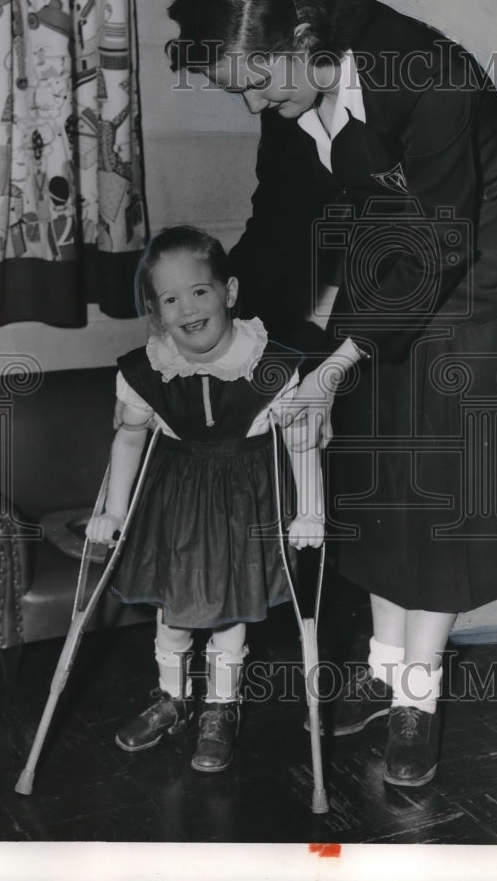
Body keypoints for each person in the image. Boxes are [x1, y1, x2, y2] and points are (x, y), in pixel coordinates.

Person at [165, 0, 497, 789]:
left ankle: (417, 705)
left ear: (308, 34)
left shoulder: (430, 73)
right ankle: (384, 675)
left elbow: (432, 237)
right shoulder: (293, 97)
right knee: (374, 483)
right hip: (387, 277)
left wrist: (339, 355)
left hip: (482, 290)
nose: (254, 99)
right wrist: (219, 316)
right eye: (241, 84)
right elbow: (281, 225)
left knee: (437, 502)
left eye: (258, 78)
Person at [87, 225, 324, 774]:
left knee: (229, 613)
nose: (188, 308)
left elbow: (300, 438)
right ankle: (172, 697)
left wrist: (309, 508)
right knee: (174, 612)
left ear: (229, 292)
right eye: (170, 299)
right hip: (174, 504)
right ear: (155, 310)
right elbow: (128, 438)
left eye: (199, 291)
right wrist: (114, 510)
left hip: (246, 504)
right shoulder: (147, 370)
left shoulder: (269, 363)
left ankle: (221, 705)